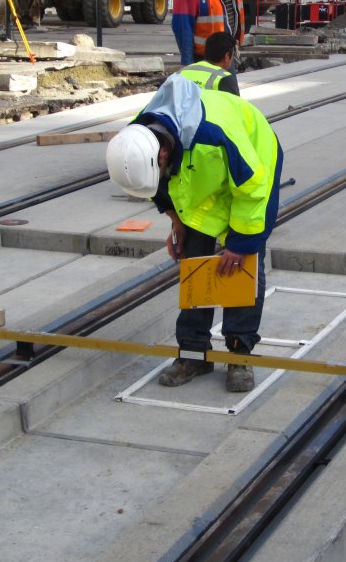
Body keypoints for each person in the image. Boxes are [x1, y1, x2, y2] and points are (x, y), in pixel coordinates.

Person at [105, 73, 284, 392]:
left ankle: (240, 354)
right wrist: (176, 221)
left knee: (241, 267)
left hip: (253, 169)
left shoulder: (212, 136)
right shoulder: (138, 139)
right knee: (195, 263)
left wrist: (241, 244)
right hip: (205, 175)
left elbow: (253, 190)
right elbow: (158, 186)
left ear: (163, 155)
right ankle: (193, 353)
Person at [179, 31, 240, 96]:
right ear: (227, 56)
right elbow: (237, 105)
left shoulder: (181, 72)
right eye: (233, 55)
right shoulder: (224, 79)